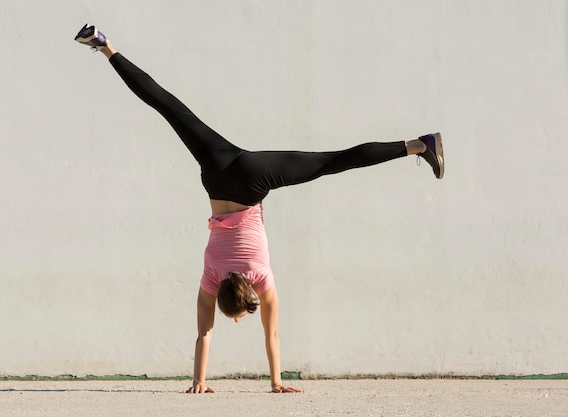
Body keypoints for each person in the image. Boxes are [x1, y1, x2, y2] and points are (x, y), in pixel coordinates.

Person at [74, 24, 445, 394]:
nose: (236, 322)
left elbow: (273, 335)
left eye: (235, 316)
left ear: (246, 296)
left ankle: (418, 146)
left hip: (252, 182)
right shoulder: (211, 277)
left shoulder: (261, 280)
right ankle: (105, 47)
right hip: (217, 173)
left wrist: (277, 382)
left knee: (331, 162)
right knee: (168, 106)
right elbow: (204, 333)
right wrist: (198, 382)